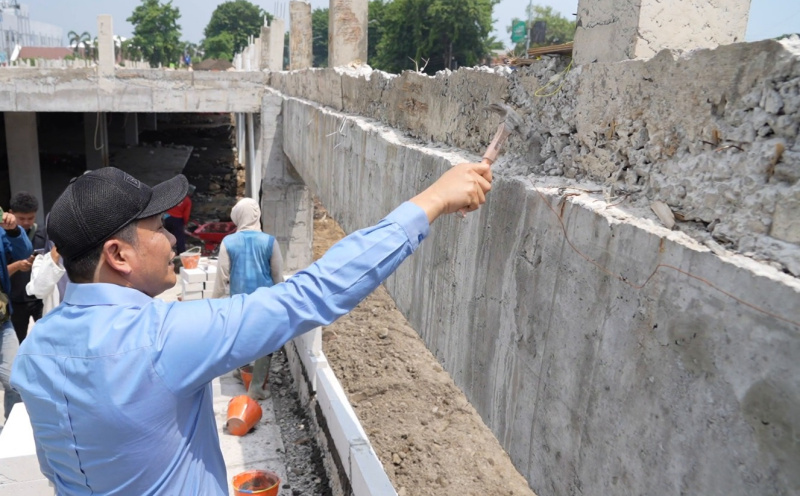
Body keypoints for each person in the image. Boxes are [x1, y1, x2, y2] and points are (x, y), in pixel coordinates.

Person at [11, 162, 491, 495]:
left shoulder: (34, 357)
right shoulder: (165, 337)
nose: (173, 237)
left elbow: (58, 471)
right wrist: (432, 200)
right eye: (158, 227)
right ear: (118, 255)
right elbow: (310, 293)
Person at [213, 197, 284, 400]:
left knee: (241, 338)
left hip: (240, 303)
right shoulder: (270, 241)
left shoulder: (228, 242)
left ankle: (241, 370)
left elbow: (222, 278)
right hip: (266, 302)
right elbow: (278, 276)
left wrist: (213, 302)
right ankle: (257, 387)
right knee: (265, 343)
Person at [1, 208, 32, 421]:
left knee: (16, 381)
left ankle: (12, 432)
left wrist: (13, 231)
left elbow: (24, 251)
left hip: (3, 321)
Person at [6, 192, 49, 344]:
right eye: (21, 218)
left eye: (30, 218)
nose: (26, 223)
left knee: (47, 339)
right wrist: (18, 266)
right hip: (15, 300)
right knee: (19, 343)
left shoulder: (42, 234)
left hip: (39, 299)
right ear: (11, 214)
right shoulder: (4, 238)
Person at [164, 183, 194, 255]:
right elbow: (186, 215)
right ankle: (181, 254)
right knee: (179, 237)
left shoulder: (175, 196)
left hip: (167, 217)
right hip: (177, 219)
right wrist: (185, 223)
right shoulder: (187, 200)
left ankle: (163, 252)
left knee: (165, 236)